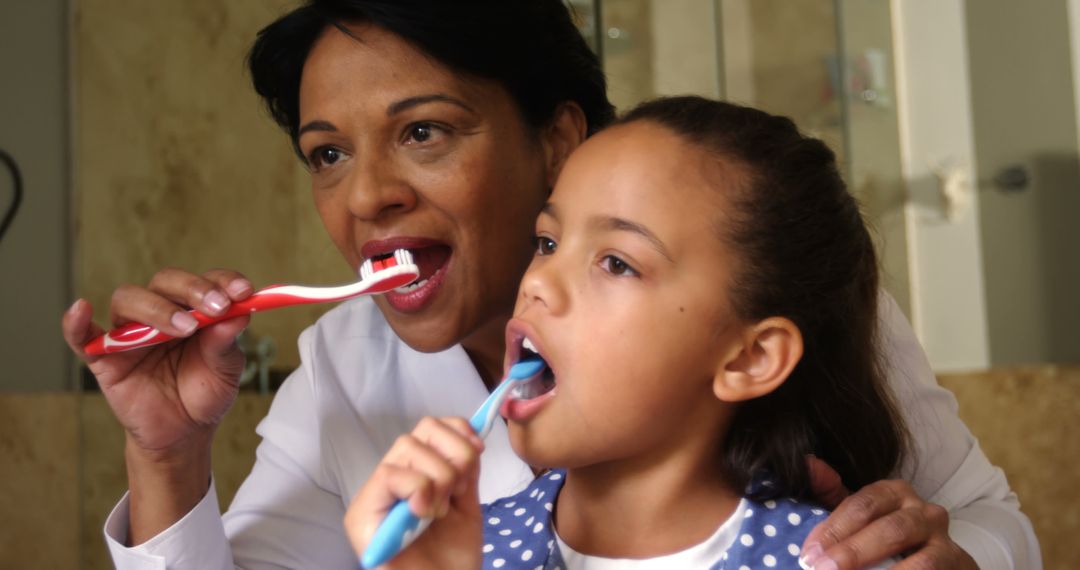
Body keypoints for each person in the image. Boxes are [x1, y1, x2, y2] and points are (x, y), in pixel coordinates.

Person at [58, 1, 1038, 568]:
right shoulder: (344, 371)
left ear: (559, 138)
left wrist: (951, 559)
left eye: (424, 131)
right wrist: (168, 458)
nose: (366, 197)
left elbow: (998, 528)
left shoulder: (772, 295)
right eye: (326, 153)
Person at [343, 95, 908, 569]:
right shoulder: (456, 552)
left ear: (750, 358)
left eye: (616, 262)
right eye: (546, 243)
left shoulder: (831, 560)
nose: (538, 283)